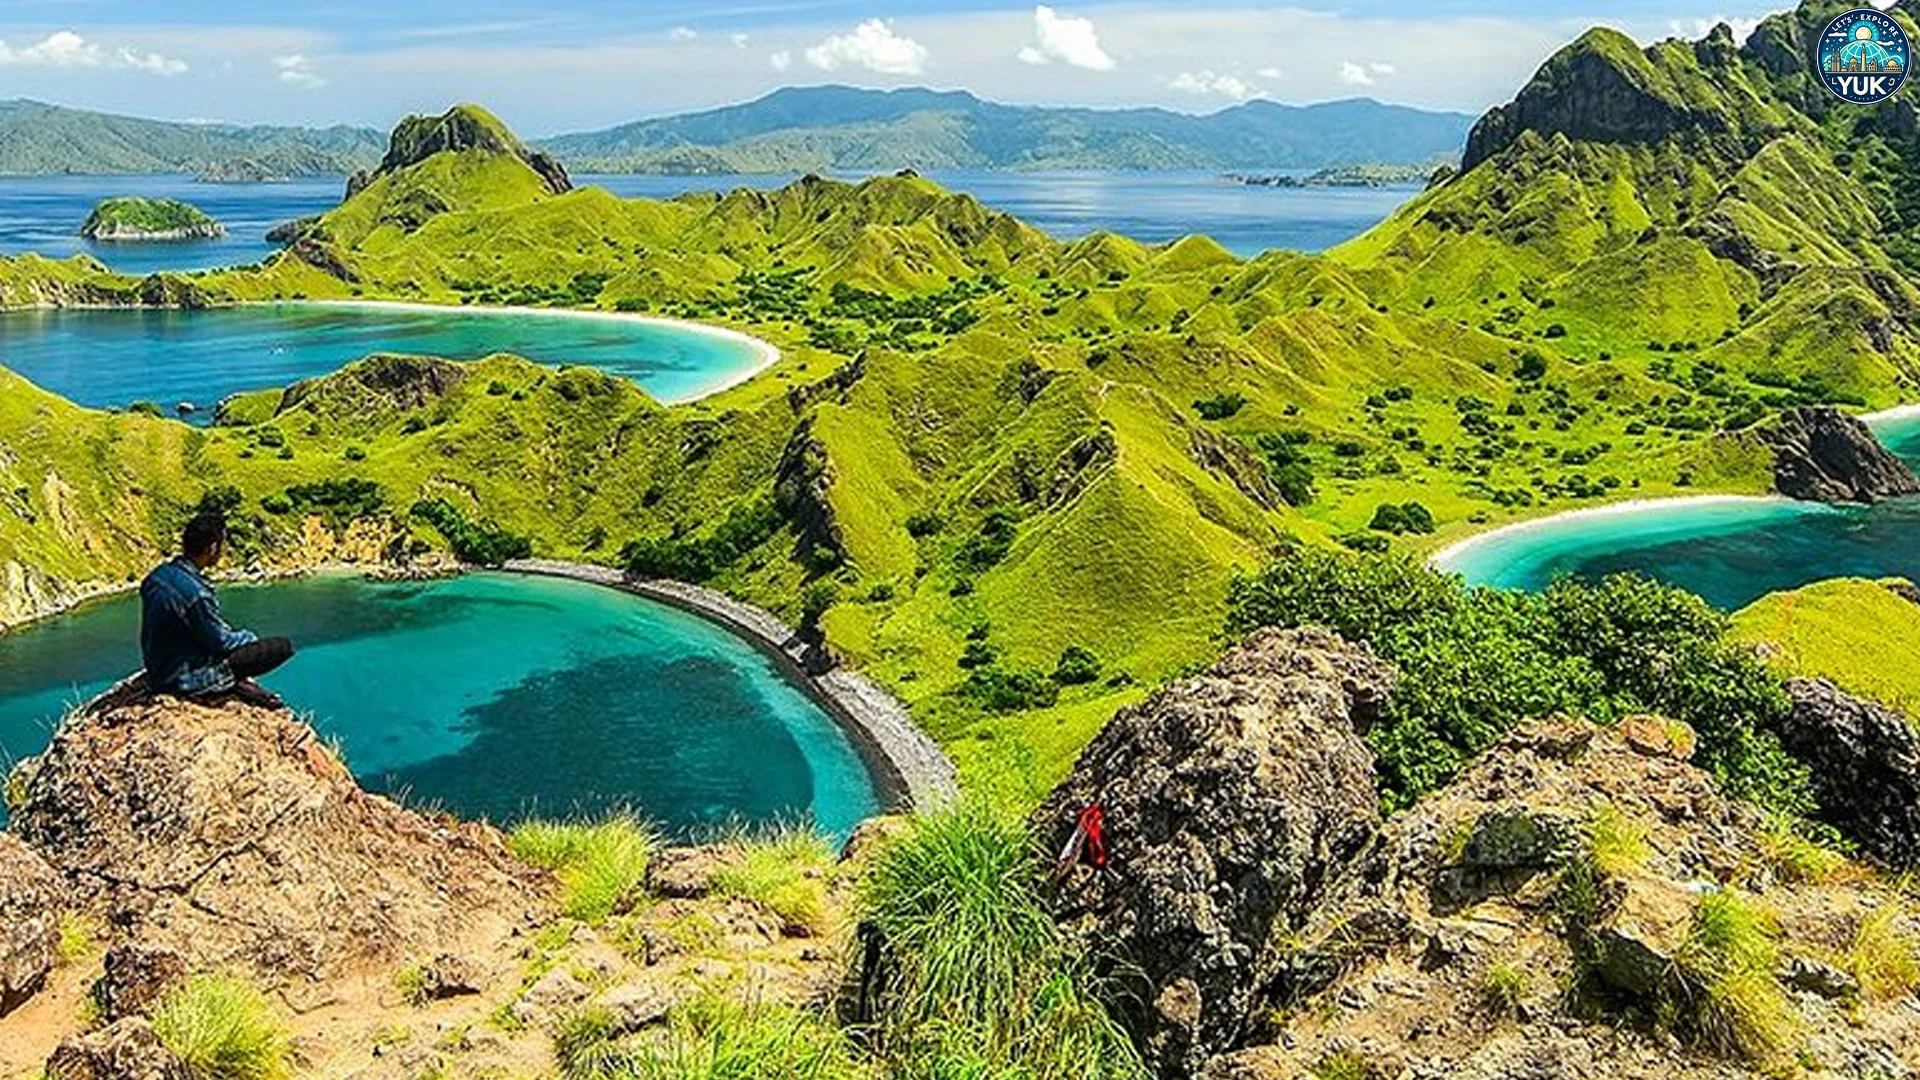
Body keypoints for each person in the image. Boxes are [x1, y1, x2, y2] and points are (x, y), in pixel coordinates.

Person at [140, 512, 295, 708]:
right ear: (212, 548)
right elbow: (221, 642)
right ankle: (228, 683)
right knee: (282, 647)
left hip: (158, 668)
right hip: (183, 678)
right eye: (222, 544)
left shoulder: (156, 577)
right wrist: (248, 637)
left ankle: (235, 682)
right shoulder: (197, 594)